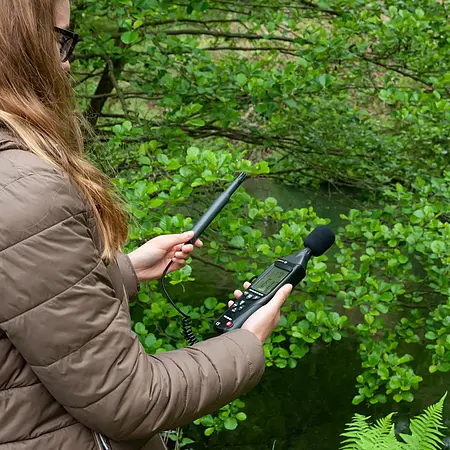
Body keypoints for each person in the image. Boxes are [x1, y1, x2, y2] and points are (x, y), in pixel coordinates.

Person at [0, 1, 293, 449]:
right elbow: (129, 401)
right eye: (60, 39)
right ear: (18, 42)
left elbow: (20, 289)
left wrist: (126, 268)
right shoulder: (28, 192)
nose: (66, 63)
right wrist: (248, 343)